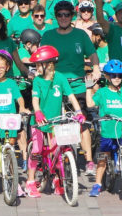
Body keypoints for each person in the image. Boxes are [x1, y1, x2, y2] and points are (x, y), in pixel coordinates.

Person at [40, 0, 101, 175]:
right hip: (55, 83)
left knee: (81, 120)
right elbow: (42, 59)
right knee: (52, 122)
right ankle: (52, 157)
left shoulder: (81, 35)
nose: (64, 18)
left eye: (67, 14)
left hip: (77, 82)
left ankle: (89, 160)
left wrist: (96, 68)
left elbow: (93, 54)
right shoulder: (48, 35)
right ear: (56, 17)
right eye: (60, 15)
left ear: (72, 16)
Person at [26, 45, 86, 197]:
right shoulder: (38, 80)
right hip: (39, 122)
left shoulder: (60, 77)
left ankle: (58, 180)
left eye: (39, 65)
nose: (36, 68)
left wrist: (78, 112)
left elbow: (71, 96)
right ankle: (31, 181)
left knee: (57, 150)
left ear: (49, 64)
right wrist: (38, 111)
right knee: (37, 150)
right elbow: (34, 99)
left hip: (55, 121)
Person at [86, 60, 122, 197]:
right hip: (108, 132)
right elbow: (90, 104)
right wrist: (88, 88)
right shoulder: (102, 92)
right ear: (107, 77)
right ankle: (97, 184)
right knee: (103, 158)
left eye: (120, 75)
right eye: (113, 75)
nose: (117, 78)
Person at [0, 49, 29, 198]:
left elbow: (19, 98)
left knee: (10, 150)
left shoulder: (11, 83)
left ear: (7, 67)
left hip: (8, 121)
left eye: (2, 67)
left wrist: (21, 107)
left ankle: (14, 181)